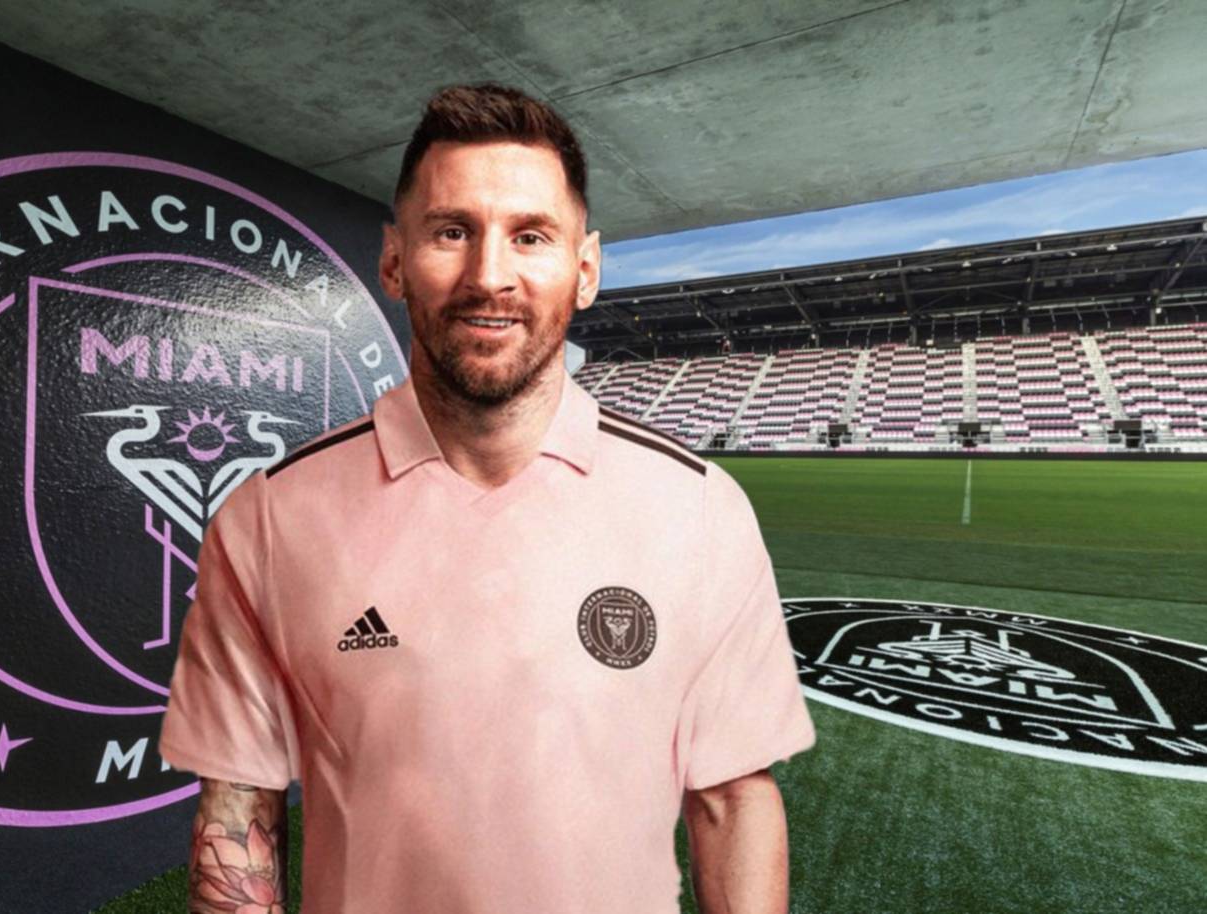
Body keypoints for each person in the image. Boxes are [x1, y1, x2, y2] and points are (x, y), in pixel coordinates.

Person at [159, 83, 815, 914]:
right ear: (394, 262)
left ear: (585, 270)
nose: (489, 276)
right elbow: (238, 815)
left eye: (530, 236)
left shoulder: (702, 510)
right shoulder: (267, 519)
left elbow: (732, 800)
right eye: (451, 232)